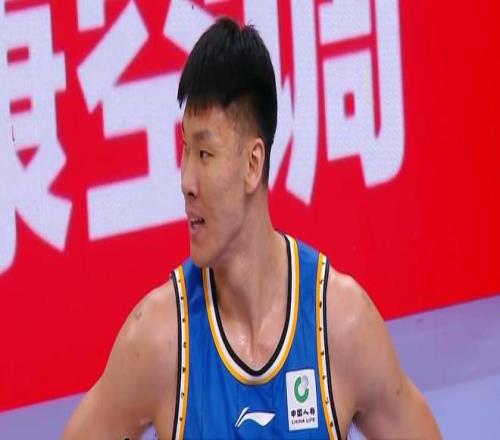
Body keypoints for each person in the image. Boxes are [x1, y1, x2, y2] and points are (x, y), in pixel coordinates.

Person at [63, 17, 441, 440]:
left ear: (252, 164)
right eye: (185, 150)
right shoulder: (160, 342)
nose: (186, 181)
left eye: (204, 154)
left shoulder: (339, 325)